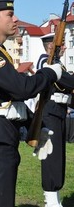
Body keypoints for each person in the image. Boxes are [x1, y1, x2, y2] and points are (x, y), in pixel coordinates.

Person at [0, 0, 62, 207]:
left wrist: (32, 126)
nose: (16, 18)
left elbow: (8, 101)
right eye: (10, 14)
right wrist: (49, 73)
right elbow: (21, 89)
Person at [35, 32, 74, 207]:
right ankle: (50, 200)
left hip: (60, 111)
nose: (65, 47)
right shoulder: (46, 62)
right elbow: (65, 83)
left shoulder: (58, 66)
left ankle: (55, 197)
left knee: (59, 156)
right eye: (62, 44)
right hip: (49, 113)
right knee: (51, 155)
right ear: (52, 46)